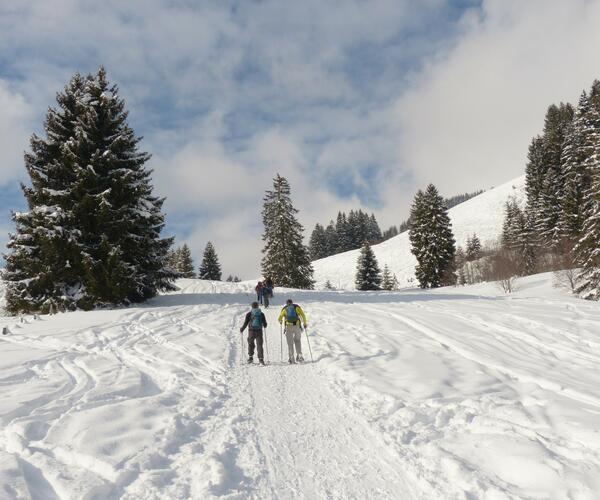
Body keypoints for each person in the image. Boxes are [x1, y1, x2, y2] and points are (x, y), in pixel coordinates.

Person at [278, 299, 307, 364]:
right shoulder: (296, 307)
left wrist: (280, 321)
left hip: (288, 327)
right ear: (292, 303)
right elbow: (303, 315)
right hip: (297, 326)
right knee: (297, 340)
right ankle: (299, 356)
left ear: (286, 303)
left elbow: (280, 318)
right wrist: (304, 324)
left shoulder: (285, 309)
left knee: (290, 343)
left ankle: (291, 358)